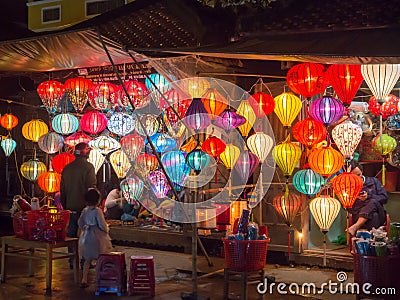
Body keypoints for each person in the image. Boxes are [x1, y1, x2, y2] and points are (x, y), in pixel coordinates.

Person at [60, 142, 97, 269]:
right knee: (86, 234)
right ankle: (85, 260)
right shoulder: (89, 167)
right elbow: (91, 188)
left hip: (70, 206)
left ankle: (72, 260)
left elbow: (62, 191)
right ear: (86, 153)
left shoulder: (67, 168)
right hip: (84, 207)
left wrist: (65, 206)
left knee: (71, 234)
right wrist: (94, 205)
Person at [78, 188, 113, 288]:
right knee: (100, 259)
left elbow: (80, 223)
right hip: (98, 238)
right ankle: (99, 278)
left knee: (87, 260)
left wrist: (85, 227)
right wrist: (107, 229)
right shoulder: (97, 211)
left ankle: (84, 279)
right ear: (98, 200)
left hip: (86, 236)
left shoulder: (84, 211)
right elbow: (102, 224)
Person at [347, 161, 388, 236]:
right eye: (354, 177)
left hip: (379, 213)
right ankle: (372, 244)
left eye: (358, 175)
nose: (357, 178)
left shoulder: (373, 181)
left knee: (372, 202)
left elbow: (385, 198)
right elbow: (349, 208)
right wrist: (356, 199)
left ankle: (356, 226)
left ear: (362, 171)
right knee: (373, 216)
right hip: (358, 215)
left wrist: (369, 196)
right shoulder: (348, 187)